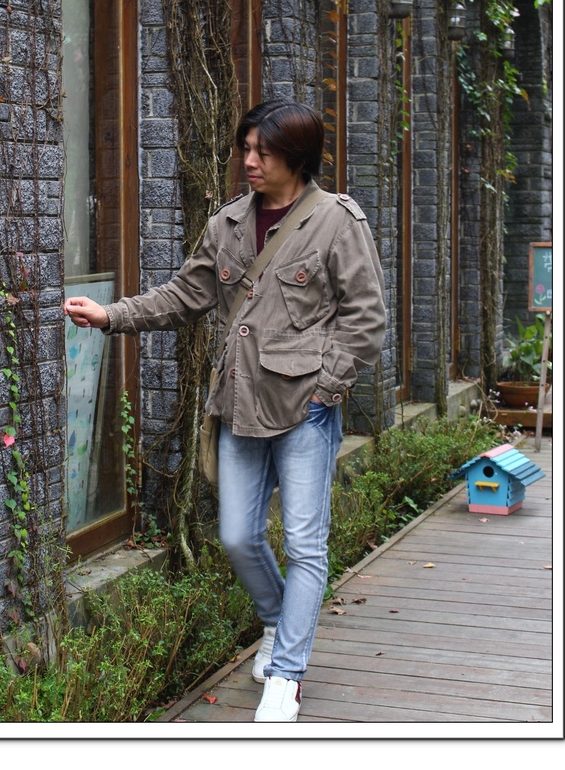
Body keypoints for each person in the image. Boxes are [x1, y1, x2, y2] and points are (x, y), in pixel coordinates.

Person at [64, 100, 386, 722]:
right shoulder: (230, 223)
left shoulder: (337, 221)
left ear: (296, 156)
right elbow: (185, 295)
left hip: (305, 409)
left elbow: (366, 317)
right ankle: (277, 621)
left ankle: (285, 676)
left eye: (263, 151)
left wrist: (327, 388)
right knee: (237, 535)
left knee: (306, 545)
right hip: (238, 404)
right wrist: (111, 315)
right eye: (246, 149)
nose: (249, 161)